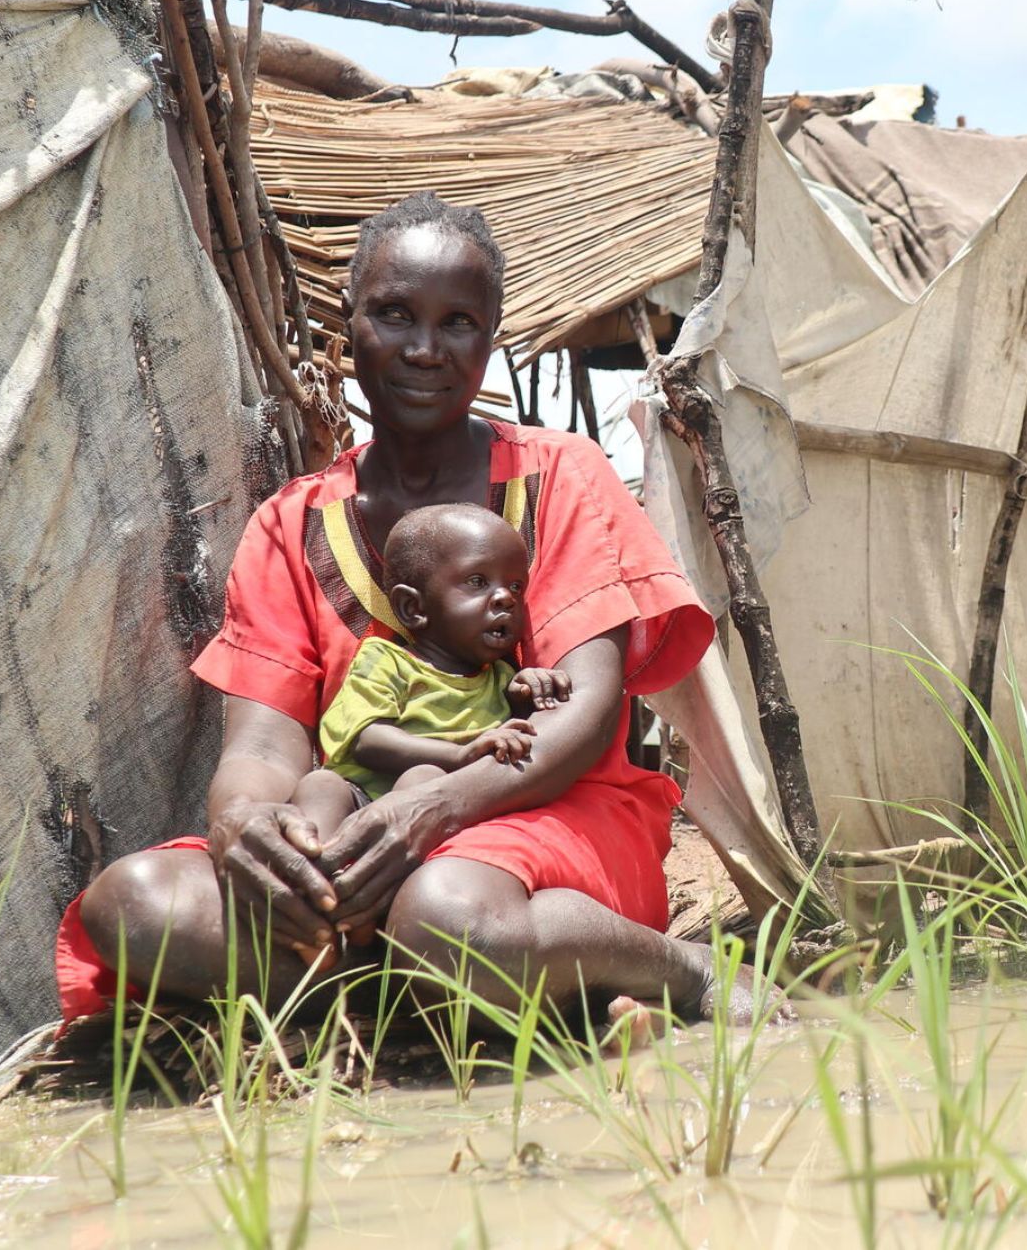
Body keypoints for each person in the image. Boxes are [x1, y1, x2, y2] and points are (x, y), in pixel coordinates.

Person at [54, 189, 786, 1030]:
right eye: (395, 314)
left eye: (457, 324)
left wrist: (432, 808)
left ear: (492, 332)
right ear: (350, 320)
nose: (423, 349)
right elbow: (262, 743)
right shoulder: (291, 523)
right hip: (367, 833)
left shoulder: (560, 476)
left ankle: (674, 969)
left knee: (448, 914)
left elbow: (583, 713)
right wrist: (245, 828)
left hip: (553, 816)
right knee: (135, 902)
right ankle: (416, 968)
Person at [291, 504, 570, 836]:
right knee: (320, 784)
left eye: (515, 587)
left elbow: (522, 733)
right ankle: (313, 864)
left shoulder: (500, 680)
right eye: (478, 581)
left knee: (423, 778)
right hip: (358, 801)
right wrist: (459, 755)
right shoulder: (386, 661)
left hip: (430, 814)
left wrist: (532, 690)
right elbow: (368, 740)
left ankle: (377, 876)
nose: (505, 599)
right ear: (414, 608)